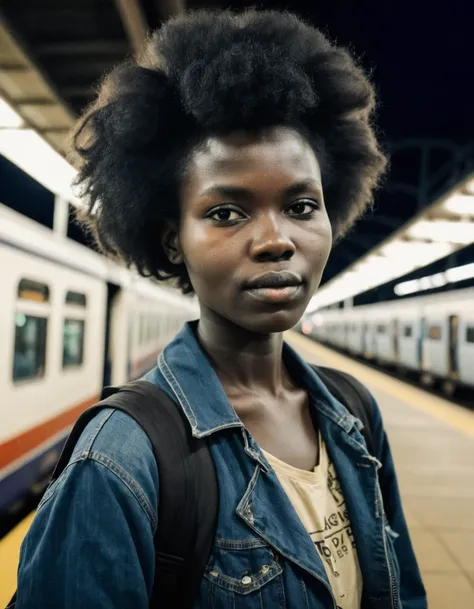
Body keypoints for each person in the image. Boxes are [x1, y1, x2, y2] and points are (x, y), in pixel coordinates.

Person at [14, 9, 426, 609]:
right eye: (226, 212)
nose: (275, 240)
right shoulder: (120, 459)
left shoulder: (354, 414)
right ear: (172, 238)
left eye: (303, 206)